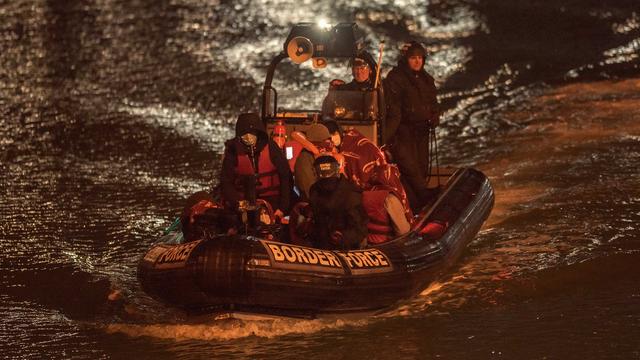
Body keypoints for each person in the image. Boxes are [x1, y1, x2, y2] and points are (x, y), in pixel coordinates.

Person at [383, 41, 441, 212]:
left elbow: (433, 102)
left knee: (422, 167)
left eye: (419, 58)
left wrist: (434, 115)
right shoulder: (395, 79)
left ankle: (419, 204)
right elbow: (393, 112)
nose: (417, 62)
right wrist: (386, 139)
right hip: (403, 132)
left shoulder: (426, 79)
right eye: (413, 58)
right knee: (410, 169)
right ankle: (419, 200)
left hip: (422, 131)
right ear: (406, 59)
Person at [220, 113, 291, 221]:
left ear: (259, 132)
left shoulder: (271, 148)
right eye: (244, 133)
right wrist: (236, 203)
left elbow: (286, 177)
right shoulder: (233, 151)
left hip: (272, 204)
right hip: (243, 204)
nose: (248, 137)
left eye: (252, 132)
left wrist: (282, 209)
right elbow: (226, 182)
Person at [308, 155, 368, 250]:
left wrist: (343, 237)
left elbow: (360, 229)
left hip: (344, 250)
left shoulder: (350, 193)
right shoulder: (315, 190)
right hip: (319, 247)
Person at [293, 123, 335, 201]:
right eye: (325, 143)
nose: (327, 149)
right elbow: (309, 191)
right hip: (313, 206)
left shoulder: (323, 157)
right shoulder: (304, 159)